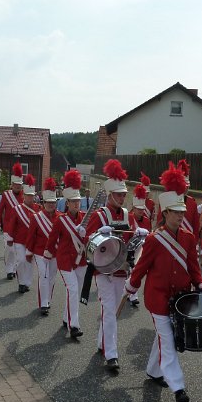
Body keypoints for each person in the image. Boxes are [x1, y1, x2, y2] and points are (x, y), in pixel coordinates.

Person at [125, 163, 202, 402]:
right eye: (175, 212)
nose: (180, 216)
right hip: (158, 298)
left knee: (163, 338)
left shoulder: (188, 238)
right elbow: (141, 268)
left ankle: (154, 370)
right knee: (169, 339)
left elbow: (194, 269)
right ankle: (178, 386)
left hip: (181, 298)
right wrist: (131, 287)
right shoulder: (154, 239)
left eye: (182, 212)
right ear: (165, 213)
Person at [84, 159, 148, 371]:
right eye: (118, 194)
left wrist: (140, 234)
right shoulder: (100, 215)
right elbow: (87, 243)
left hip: (121, 270)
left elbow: (133, 241)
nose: (121, 198)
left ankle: (102, 342)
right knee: (109, 310)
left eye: (123, 195)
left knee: (113, 312)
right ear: (110, 195)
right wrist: (96, 234)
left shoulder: (129, 216)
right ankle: (112, 354)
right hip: (103, 270)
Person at [45, 169, 87, 338]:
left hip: (81, 261)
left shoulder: (86, 218)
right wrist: (47, 256)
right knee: (73, 290)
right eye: (73, 202)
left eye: (78, 201)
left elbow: (91, 238)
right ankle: (73, 326)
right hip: (65, 261)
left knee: (74, 291)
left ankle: (66, 317)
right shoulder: (60, 220)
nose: (77, 204)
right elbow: (52, 239)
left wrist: (87, 234)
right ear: (67, 203)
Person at [26, 178, 60, 315]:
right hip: (40, 252)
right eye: (48, 203)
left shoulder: (60, 217)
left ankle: (48, 299)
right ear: (43, 203)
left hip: (55, 252)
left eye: (53, 202)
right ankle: (43, 303)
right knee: (44, 276)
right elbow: (31, 236)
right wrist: (29, 252)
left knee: (52, 277)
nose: (51, 205)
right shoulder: (36, 217)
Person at [11, 174, 41, 293]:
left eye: (31, 196)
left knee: (29, 263)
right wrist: (10, 238)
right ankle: (21, 282)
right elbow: (12, 225)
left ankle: (26, 283)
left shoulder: (38, 209)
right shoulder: (17, 209)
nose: (30, 198)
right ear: (24, 196)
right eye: (28, 196)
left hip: (32, 242)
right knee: (21, 261)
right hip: (19, 240)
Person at [0, 164, 24, 280]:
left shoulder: (25, 196)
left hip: (20, 228)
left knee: (18, 250)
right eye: (15, 185)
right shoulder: (6, 195)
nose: (17, 186)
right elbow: (0, 209)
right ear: (12, 185)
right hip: (7, 227)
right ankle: (9, 270)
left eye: (19, 185)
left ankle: (15, 269)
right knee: (9, 250)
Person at [126, 183, 151, 307]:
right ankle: (133, 296)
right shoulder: (128, 218)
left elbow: (149, 235)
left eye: (142, 209)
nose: (141, 212)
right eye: (138, 209)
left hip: (141, 250)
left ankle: (128, 292)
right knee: (132, 271)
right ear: (133, 208)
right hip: (129, 251)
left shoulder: (146, 220)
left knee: (135, 272)